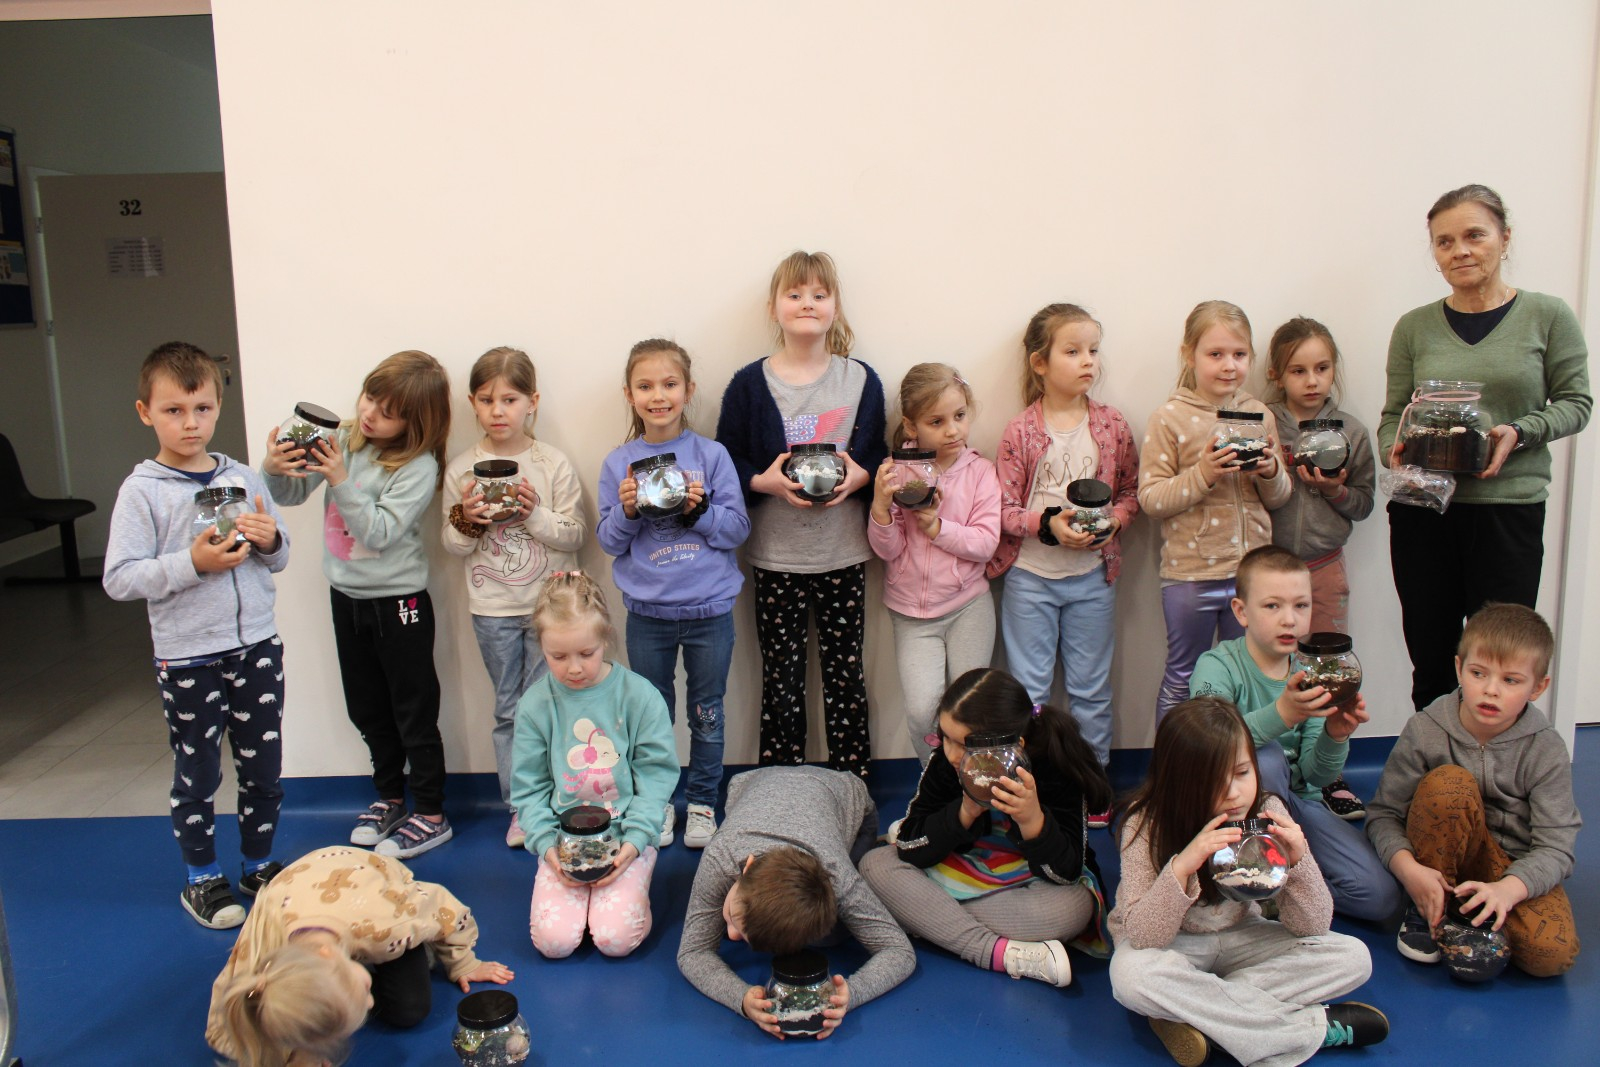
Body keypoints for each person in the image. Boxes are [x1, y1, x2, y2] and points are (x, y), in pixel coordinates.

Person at [1378, 183, 1592, 711]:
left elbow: (1577, 403)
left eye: (1475, 235)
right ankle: (1436, 762)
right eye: (1445, 241)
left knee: (1501, 662)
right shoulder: (1413, 327)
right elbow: (1392, 417)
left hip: (1508, 511)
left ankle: (1497, 763)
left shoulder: (1548, 316)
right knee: (1432, 657)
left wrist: (1519, 431)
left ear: (1505, 238)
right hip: (1425, 513)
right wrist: (1394, 451)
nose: (1460, 251)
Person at [104, 341, 291, 929]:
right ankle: (201, 877)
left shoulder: (243, 475)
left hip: (256, 646)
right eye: (174, 411)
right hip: (188, 657)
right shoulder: (142, 491)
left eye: (202, 409)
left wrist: (270, 540)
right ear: (146, 413)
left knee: (264, 767)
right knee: (199, 771)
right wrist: (192, 563)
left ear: (217, 408)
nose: (191, 423)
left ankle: (258, 864)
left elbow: (280, 556)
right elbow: (119, 578)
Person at [1108, 697, 1386, 1067]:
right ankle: (1308, 1028)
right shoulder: (1145, 825)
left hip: (1242, 938)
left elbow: (1313, 925)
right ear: (1179, 782)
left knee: (1354, 957)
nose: (1233, 793)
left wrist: (1298, 861)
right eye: (1212, 781)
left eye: (1242, 773)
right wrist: (1182, 867)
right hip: (1174, 947)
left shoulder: (1268, 811)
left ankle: (1202, 1015)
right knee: (1129, 976)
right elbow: (1145, 937)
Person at [263, 350, 454, 858]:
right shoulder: (346, 438)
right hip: (346, 598)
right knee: (366, 707)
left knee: (413, 709)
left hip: (399, 603)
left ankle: (432, 812)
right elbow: (290, 494)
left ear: (414, 423)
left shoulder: (418, 465)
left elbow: (380, 532)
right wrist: (274, 468)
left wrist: (340, 479)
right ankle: (389, 796)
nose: (369, 414)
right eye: (370, 397)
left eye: (387, 412)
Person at [715, 250, 887, 776]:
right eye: (794, 294)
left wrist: (861, 477)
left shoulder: (860, 380)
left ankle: (851, 782)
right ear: (774, 308)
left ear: (835, 307)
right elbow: (726, 459)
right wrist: (761, 481)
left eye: (819, 294)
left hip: (843, 554)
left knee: (845, 675)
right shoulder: (749, 384)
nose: (807, 303)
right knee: (782, 679)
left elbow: (877, 455)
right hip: (775, 556)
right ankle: (780, 786)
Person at [859, 668, 1111, 989]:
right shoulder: (946, 763)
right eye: (944, 737)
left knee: (1074, 908)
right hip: (961, 869)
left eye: (964, 745)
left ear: (1013, 744)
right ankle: (997, 952)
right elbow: (910, 845)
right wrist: (965, 812)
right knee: (874, 864)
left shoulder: (1055, 763)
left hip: (1027, 883)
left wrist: (1033, 821)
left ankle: (925, 917)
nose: (951, 754)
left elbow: (1067, 872)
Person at [1365, 603, 1581, 978]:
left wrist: (1509, 889)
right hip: (1435, 859)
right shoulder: (1426, 729)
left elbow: (1557, 846)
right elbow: (1383, 815)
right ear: (1459, 668)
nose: (1490, 690)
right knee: (1449, 785)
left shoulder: (1546, 748)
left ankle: (1473, 910)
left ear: (1538, 687)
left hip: (1507, 866)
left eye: (1511, 680)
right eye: (1478, 673)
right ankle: (1428, 906)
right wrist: (1409, 871)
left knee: (1551, 955)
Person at [1188, 546, 1401, 923]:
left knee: (1379, 898)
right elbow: (1210, 744)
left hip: (1297, 807)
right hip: (1227, 812)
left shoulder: (1313, 671)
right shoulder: (1217, 665)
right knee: (1265, 759)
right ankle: (1248, 878)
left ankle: (1272, 892)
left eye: (1301, 606)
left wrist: (1336, 734)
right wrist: (1283, 714)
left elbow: (1317, 777)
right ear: (1241, 612)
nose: (1290, 619)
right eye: (1272, 606)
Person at [987, 303, 1140, 820]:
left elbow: (1131, 492)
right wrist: (1047, 524)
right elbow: (1002, 509)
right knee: (1029, 694)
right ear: (1040, 363)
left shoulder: (1112, 425)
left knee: (1090, 690)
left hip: (1093, 580)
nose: (1087, 361)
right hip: (1030, 580)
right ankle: (1031, 790)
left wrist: (1115, 522)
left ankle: (1094, 785)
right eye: (1072, 351)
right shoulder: (1020, 431)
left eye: (1093, 350)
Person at [599, 339, 749, 848]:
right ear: (629, 394)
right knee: (652, 716)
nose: (658, 396)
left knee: (707, 712)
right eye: (645, 386)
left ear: (688, 389)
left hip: (710, 611)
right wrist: (628, 511)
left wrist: (699, 510)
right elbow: (608, 542)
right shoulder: (619, 463)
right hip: (648, 615)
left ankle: (703, 802)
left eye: (669, 384)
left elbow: (737, 530)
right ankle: (657, 801)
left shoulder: (711, 455)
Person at [442, 345, 585, 849]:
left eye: (509, 399)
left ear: (532, 402)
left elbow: (575, 533)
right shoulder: (462, 468)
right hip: (493, 609)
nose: (497, 411)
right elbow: (452, 545)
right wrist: (467, 520)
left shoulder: (551, 462)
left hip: (552, 607)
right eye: (486, 400)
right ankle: (521, 807)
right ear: (472, 404)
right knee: (509, 709)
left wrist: (533, 513)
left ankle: (563, 797)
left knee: (554, 705)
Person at [205, 845, 515, 1067]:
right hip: (296, 894)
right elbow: (229, 1022)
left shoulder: (386, 925)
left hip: (366, 875)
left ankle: (419, 943)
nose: (370, 1003)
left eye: (365, 990)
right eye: (367, 994)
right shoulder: (264, 943)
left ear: (330, 956)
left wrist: (462, 961)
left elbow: (443, 906)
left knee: (410, 1010)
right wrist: (297, 1051)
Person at [676, 766, 915, 1040]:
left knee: (831, 936)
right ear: (747, 867)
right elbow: (692, 952)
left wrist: (850, 994)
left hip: (846, 794)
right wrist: (740, 998)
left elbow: (899, 951)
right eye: (732, 917)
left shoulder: (839, 876)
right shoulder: (720, 857)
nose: (730, 935)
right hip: (752, 783)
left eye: (734, 923)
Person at [510, 571, 678, 958]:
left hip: (625, 837)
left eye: (586, 653)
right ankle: (585, 905)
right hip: (562, 842)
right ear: (541, 646)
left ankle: (628, 894)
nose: (574, 668)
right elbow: (529, 788)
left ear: (605, 639)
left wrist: (635, 841)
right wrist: (547, 847)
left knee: (615, 941)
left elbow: (655, 778)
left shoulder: (639, 697)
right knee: (553, 944)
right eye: (558, 656)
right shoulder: (535, 705)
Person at [1139, 301, 1291, 721]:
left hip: (1253, 577)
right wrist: (1203, 473)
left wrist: (1271, 471)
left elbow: (1280, 497)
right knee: (1184, 675)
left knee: (1251, 675)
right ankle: (1174, 760)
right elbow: (1151, 499)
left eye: (1239, 354)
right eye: (1215, 354)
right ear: (1189, 355)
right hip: (1191, 576)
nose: (1229, 365)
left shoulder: (1260, 414)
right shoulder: (1169, 418)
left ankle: (1247, 758)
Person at [1262, 317, 1376, 820]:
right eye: (1298, 370)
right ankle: (1270, 765)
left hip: (1326, 568)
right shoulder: (1263, 422)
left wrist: (1336, 490)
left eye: (1322, 368)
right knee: (1268, 666)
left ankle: (1328, 774)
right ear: (1276, 374)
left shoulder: (1352, 430)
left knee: (1328, 670)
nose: (1312, 381)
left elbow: (1365, 503)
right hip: (1269, 572)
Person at [868, 362, 1001, 764]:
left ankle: (971, 787)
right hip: (911, 615)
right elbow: (887, 550)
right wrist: (880, 507)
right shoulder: (897, 472)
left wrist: (937, 527)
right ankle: (934, 783)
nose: (952, 430)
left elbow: (986, 543)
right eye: (937, 421)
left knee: (970, 713)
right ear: (911, 426)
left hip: (968, 607)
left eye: (959, 416)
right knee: (922, 712)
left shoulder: (980, 472)